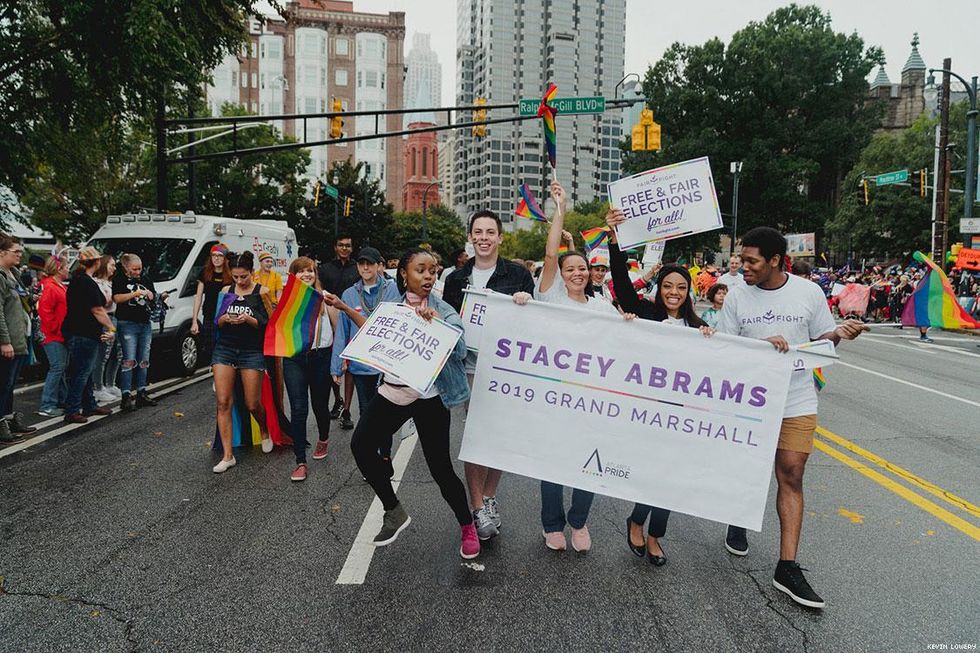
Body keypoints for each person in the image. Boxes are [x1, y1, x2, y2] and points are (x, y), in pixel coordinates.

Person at [715, 227, 868, 609]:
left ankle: (787, 566)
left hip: (797, 398)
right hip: (750, 401)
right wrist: (759, 348)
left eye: (751, 261)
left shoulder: (808, 292)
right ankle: (740, 517)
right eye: (743, 260)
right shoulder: (736, 296)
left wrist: (841, 333)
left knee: (791, 473)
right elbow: (724, 350)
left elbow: (823, 339)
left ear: (775, 261)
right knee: (749, 470)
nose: (743, 267)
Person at [513, 181, 631, 553]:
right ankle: (552, 524)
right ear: (561, 274)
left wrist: (628, 322)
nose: (578, 273)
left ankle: (578, 521)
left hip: (592, 399)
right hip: (555, 396)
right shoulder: (551, 298)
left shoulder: (600, 306)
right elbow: (550, 255)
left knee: (588, 464)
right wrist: (559, 207)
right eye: (570, 268)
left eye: (582, 267)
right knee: (554, 464)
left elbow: (622, 345)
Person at [349, 247, 479, 559]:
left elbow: (461, 351)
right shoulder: (390, 306)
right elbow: (374, 336)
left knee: (441, 469)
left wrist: (437, 325)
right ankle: (393, 510)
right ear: (403, 274)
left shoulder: (443, 309)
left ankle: (467, 525)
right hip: (393, 393)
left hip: (429, 398)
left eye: (433, 271)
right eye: (421, 270)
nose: (428, 276)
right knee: (361, 447)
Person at [605, 208, 711, 565]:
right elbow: (620, 285)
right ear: (659, 288)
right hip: (648, 408)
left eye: (681, 288)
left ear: (689, 292)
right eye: (668, 286)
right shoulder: (646, 314)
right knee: (653, 474)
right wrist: (614, 240)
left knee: (672, 478)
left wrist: (713, 343)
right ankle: (636, 518)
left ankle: (654, 534)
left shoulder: (699, 327)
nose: (674, 293)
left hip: (682, 413)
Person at [443, 209, 535, 540]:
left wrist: (525, 302)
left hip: (504, 368)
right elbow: (446, 321)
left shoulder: (518, 275)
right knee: (476, 435)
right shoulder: (455, 279)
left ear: (499, 237)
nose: (483, 238)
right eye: (477, 232)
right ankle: (478, 506)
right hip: (468, 366)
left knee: (500, 435)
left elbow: (531, 325)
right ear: (470, 237)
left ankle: (491, 496)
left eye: (489, 232)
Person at [212, 252, 273, 472]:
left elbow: (268, 324)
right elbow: (215, 322)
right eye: (235, 277)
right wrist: (225, 319)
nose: (239, 281)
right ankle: (228, 456)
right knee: (223, 402)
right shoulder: (225, 292)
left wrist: (249, 319)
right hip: (225, 349)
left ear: (252, 272)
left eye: (243, 277)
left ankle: (264, 430)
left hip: (251, 350)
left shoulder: (262, 292)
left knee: (251, 403)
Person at [331, 246, 400, 437]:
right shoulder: (349, 294)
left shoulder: (393, 289)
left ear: (379, 265)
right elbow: (342, 332)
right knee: (365, 411)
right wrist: (336, 366)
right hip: (360, 366)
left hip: (385, 364)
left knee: (385, 413)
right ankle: (371, 456)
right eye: (362, 263)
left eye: (370, 263)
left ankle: (384, 456)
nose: (366, 268)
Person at [280, 257, 337, 482]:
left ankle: (323, 438)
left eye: (311, 270)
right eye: (301, 271)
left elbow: (337, 329)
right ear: (293, 275)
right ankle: (300, 460)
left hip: (321, 357)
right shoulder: (285, 299)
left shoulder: (325, 298)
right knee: (298, 407)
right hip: (294, 357)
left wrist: (338, 362)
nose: (307, 274)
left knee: (320, 405)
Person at [62, 247, 116, 424]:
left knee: (85, 370)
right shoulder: (87, 283)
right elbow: (97, 309)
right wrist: (111, 328)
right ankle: (72, 410)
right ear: (97, 262)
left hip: (77, 330)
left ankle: (89, 404)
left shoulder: (78, 280)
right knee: (82, 372)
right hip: (83, 332)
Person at [0, 234, 38, 441]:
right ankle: (1, 425)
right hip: (8, 340)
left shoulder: (13, 273)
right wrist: (4, 341)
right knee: (3, 384)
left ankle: (9, 419)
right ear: (2, 253)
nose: (20, 255)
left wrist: (31, 298)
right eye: (16, 252)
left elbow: (19, 301)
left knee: (10, 384)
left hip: (20, 336)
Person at [112, 254, 161, 412]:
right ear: (126, 267)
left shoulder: (145, 279)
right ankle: (126, 395)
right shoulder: (119, 279)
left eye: (140, 268)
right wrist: (135, 294)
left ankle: (141, 391)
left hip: (144, 323)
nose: (138, 271)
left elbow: (153, 296)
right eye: (134, 269)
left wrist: (150, 294)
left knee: (144, 359)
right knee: (129, 359)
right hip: (127, 323)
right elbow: (117, 298)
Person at [318, 235, 358, 421]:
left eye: (347, 246)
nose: (344, 248)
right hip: (330, 318)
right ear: (335, 247)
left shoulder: (357, 268)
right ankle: (337, 399)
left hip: (350, 317)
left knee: (349, 364)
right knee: (333, 362)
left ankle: (347, 409)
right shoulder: (325, 269)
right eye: (341, 245)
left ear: (351, 248)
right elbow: (319, 293)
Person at [37, 255, 69, 418]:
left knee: (61, 367)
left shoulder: (59, 285)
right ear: (59, 269)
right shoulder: (50, 286)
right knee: (57, 367)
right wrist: (57, 329)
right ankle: (47, 404)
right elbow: (46, 311)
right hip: (53, 335)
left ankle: (61, 400)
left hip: (59, 333)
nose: (68, 269)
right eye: (66, 267)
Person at [191, 244, 231, 365]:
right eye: (214, 255)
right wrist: (194, 321)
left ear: (225, 258)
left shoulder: (230, 275)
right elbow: (198, 297)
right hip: (209, 316)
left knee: (225, 348)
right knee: (211, 348)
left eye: (219, 256)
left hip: (226, 317)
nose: (216, 259)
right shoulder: (205, 273)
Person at [92, 255, 121, 403]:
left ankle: (111, 383)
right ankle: (98, 387)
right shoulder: (96, 283)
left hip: (116, 317)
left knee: (117, 353)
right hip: (105, 318)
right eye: (112, 265)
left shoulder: (112, 282)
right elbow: (100, 303)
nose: (114, 268)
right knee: (103, 354)